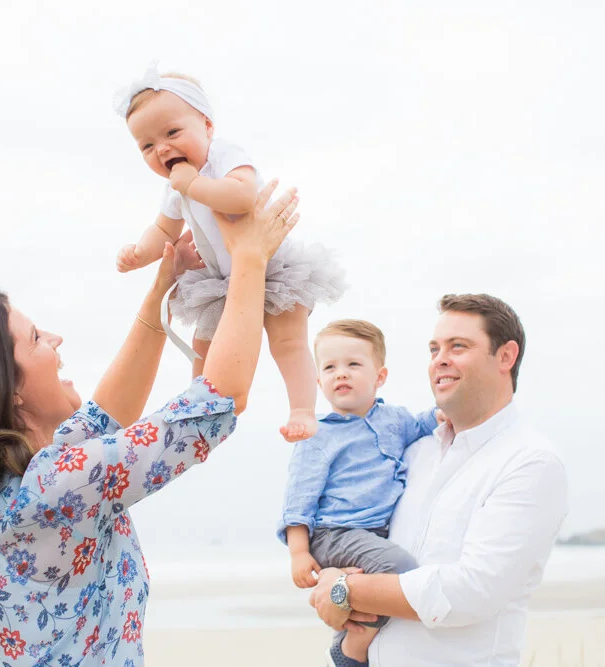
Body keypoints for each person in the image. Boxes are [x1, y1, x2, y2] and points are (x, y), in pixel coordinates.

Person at [0, 182, 299, 667]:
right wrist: (250, 258)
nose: (55, 339)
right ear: (6, 391)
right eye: (35, 338)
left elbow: (106, 417)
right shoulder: (49, 489)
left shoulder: (14, 487)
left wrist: (162, 287)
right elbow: (216, 402)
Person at [309, 294, 568, 667]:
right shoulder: (413, 453)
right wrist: (333, 577)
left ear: (506, 357)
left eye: (458, 346)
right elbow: (361, 536)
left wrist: (344, 590)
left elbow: (470, 592)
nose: (440, 359)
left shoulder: (531, 462)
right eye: (434, 349)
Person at [112, 62, 346, 442]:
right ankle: (199, 408)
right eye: (148, 146)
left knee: (287, 342)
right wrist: (140, 253)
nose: (163, 148)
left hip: (273, 266)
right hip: (224, 279)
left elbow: (241, 197)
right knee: (206, 346)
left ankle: (302, 408)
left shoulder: (223, 155)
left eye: (172, 132)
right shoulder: (174, 187)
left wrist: (194, 183)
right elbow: (163, 229)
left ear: (207, 126)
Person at [279, 319, 442, 666]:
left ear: (379, 376)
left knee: (383, 581)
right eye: (330, 367)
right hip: (334, 533)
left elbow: (425, 422)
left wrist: (447, 411)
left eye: (353, 364)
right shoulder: (318, 435)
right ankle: (352, 647)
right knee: (402, 570)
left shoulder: (395, 421)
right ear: (319, 380)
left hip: (372, 534)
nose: (341, 374)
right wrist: (298, 553)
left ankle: (353, 634)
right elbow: (299, 498)